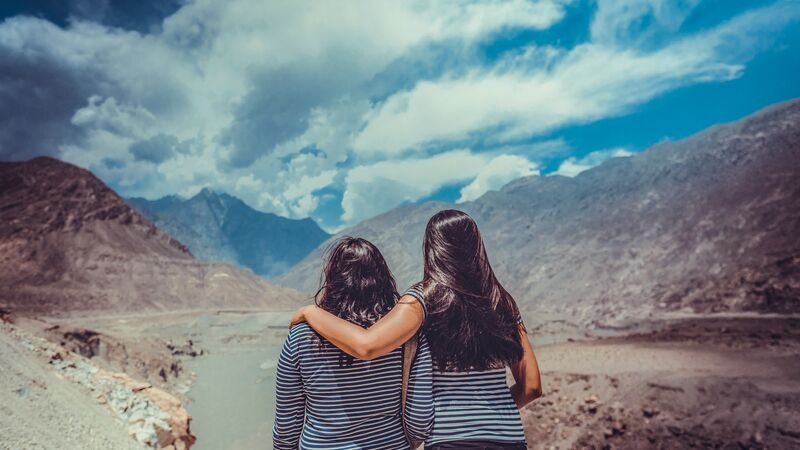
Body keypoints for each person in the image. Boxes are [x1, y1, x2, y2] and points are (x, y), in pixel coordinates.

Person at [291, 209, 542, 449]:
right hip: (509, 437)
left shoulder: (424, 299)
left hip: (451, 438)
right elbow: (531, 386)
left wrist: (311, 312)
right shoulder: (502, 301)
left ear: (432, 249)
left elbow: (366, 346)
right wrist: (494, 414)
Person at [273, 237, 433, 449]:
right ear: (383, 279)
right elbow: (419, 416)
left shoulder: (301, 337)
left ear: (332, 280)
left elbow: (288, 422)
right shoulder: (404, 336)